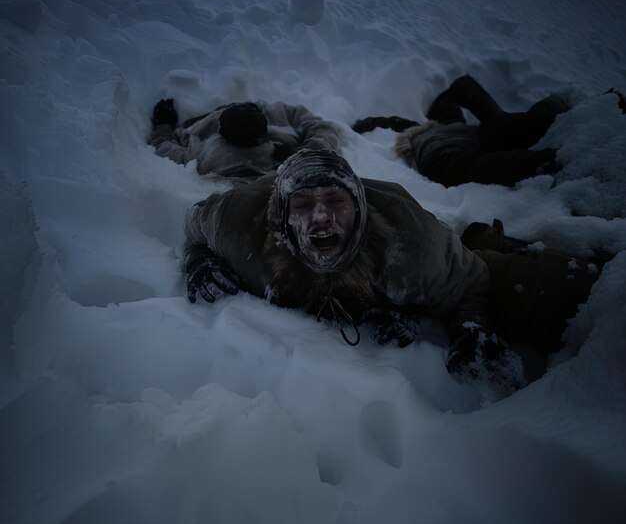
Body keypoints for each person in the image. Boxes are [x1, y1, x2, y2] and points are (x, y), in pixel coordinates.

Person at [183, 148, 602, 396]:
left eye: (336, 201)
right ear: (281, 215)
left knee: (557, 290)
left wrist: (471, 327)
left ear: (360, 209)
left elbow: (473, 283)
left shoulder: (408, 242)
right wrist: (199, 261)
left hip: (440, 244)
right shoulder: (239, 225)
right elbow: (193, 224)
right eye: (304, 205)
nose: (322, 218)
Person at [352, 74, 571, 187]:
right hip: (440, 157)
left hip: (472, 140)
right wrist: (365, 124)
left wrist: (461, 91)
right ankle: (555, 157)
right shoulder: (420, 129)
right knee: (486, 163)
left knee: (512, 129)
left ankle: (557, 115)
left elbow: (449, 99)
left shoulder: (445, 122)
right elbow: (390, 122)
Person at [150, 97, 342, 178]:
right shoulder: (209, 152)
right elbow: (323, 131)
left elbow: (164, 146)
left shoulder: (272, 112)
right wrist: (306, 155)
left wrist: (163, 126)